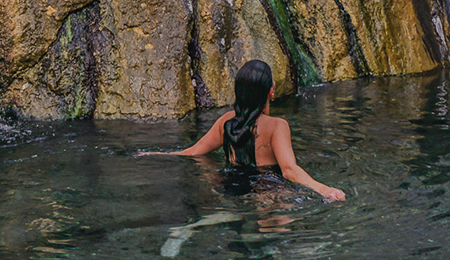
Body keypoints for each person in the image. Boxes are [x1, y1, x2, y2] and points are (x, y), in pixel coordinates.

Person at [140, 60, 346, 201]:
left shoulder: (226, 121)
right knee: (277, 233)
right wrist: (324, 189)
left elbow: (192, 152)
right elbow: (289, 170)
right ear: (271, 92)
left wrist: (153, 154)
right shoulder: (277, 126)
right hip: (266, 187)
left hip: (229, 185)